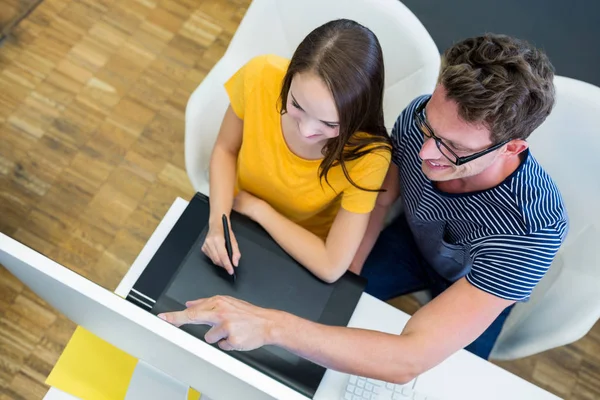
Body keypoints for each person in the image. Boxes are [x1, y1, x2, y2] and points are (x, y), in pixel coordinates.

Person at [159, 34, 568, 383]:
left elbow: (409, 359)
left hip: (471, 282)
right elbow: (384, 196)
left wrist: (269, 326)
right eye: (430, 125)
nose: (425, 153)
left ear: (513, 147)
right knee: (318, 314)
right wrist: (345, 274)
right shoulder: (415, 119)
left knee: (445, 378)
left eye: (454, 148)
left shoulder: (534, 226)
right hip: (408, 239)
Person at [201, 19, 391, 284]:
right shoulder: (260, 75)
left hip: (304, 249)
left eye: (329, 124)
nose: (306, 131)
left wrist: (260, 210)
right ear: (289, 77)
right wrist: (217, 223)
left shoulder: (369, 154)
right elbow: (225, 149)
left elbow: (331, 266)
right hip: (234, 216)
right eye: (297, 105)